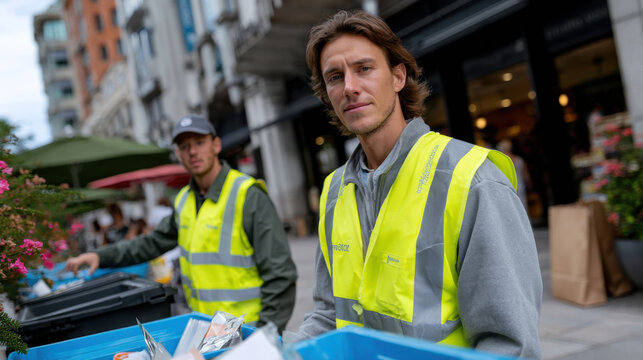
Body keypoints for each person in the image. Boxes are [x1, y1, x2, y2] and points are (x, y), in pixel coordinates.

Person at [292, 10, 542, 358]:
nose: (349, 87)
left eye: (364, 68)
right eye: (335, 76)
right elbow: (326, 313)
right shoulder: (335, 191)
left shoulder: (472, 179)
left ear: (397, 77)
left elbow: (509, 345)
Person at [66, 114, 298, 332]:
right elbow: (150, 243)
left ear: (216, 145)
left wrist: (265, 334)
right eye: (185, 146)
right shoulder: (184, 200)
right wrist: (101, 256)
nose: (192, 152)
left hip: (248, 331)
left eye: (199, 142)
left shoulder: (247, 194)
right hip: (208, 332)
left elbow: (280, 275)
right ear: (178, 154)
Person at [497, 139, 532, 210]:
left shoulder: (501, 162)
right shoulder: (519, 160)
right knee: (523, 209)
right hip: (521, 188)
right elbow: (526, 176)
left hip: (508, 189)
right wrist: (529, 186)